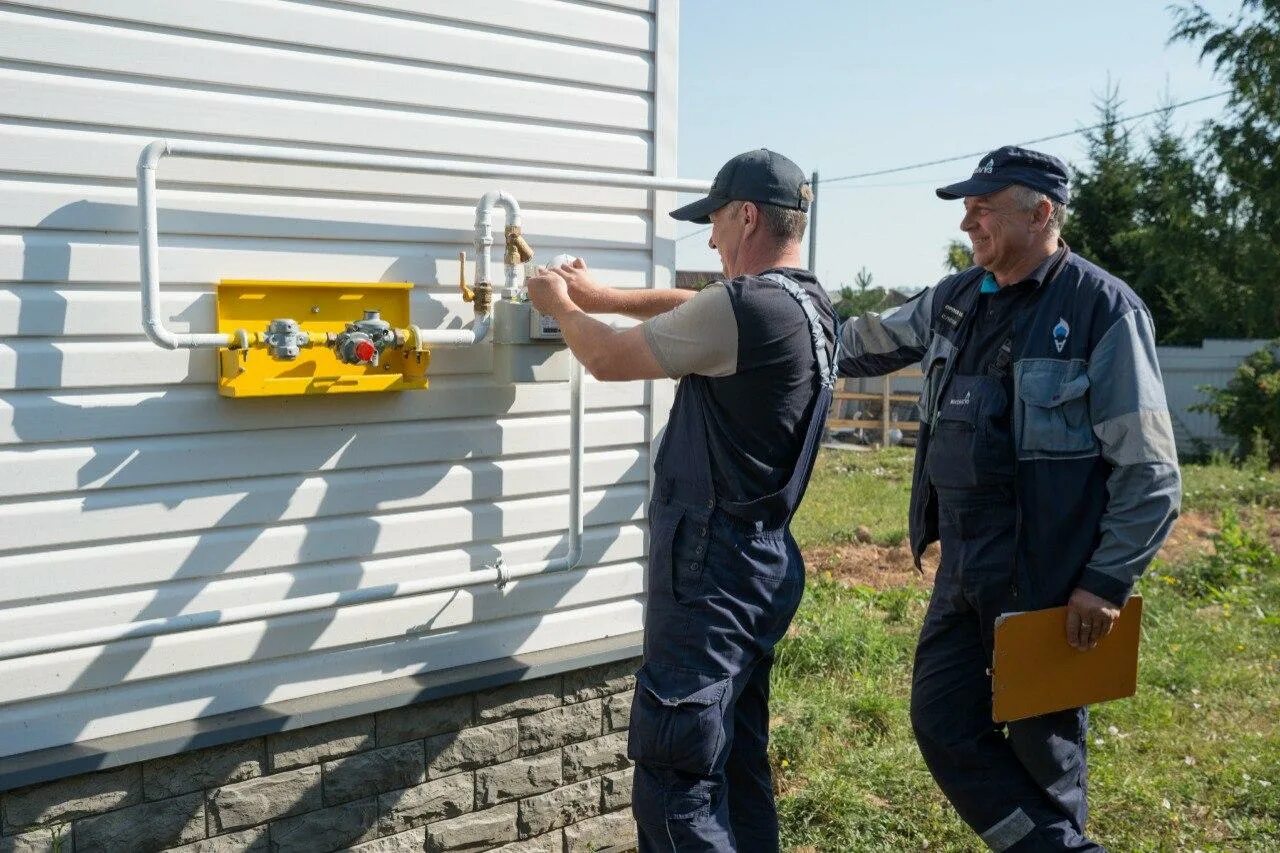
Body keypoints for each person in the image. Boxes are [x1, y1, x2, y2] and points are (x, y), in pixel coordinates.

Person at [836, 145, 1181, 851]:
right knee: (941, 719)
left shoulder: (1101, 310)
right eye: (967, 209)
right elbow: (863, 341)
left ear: (1041, 212)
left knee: (1041, 753)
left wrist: (1105, 580)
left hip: (1047, 582)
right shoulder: (956, 300)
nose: (969, 222)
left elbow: (1151, 472)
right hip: (964, 568)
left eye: (983, 207)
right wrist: (774, 326)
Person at [525, 149, 836, 852]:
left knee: (676, 784)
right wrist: (601, 298)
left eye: (718, 223)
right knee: (738, 762)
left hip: (709, 573)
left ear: (747, 215)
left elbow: (605, 360)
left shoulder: (746, 306)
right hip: (763, 563)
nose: (712, 238)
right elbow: (691, 309)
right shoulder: (805, 304)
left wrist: (561, 307)